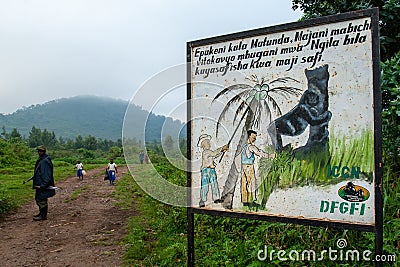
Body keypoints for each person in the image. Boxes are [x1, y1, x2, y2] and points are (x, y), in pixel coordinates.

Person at [240, 130, 274, 207]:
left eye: (255, 137)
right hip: (249, 166)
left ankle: (245, 201)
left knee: (244, 183)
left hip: (243, 166)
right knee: (251, 183)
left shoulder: (244, 146)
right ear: (249, 137)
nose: (254, 139)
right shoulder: (251, 147)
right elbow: (259, 153)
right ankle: (251, 201)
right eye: (253, 137)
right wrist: (270, 156)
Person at [198, 134, 228, 208]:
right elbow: (214, 153)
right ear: (203, 145)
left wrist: (222, 151)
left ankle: (216, 198)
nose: (209, 144)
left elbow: (214, 155)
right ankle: (203, 199)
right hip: (206, 171)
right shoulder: (206, 152)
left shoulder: (209, 152)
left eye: (209, 142)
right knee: (205, 185)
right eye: (207, 143)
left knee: (214, 183)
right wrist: (222, 148)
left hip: (211, 170)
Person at [32, 145, 56, 221]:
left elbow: (46, 175)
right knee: (39, 198)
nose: (39, 152)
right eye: (38, 151)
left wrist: (43, 185)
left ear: (44, 152)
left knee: (41, 199)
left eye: (41, 151)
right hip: (40, 183)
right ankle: (41, 213)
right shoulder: (42, 159)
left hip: (42, 184)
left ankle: (43, 216)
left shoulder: (45, 161)